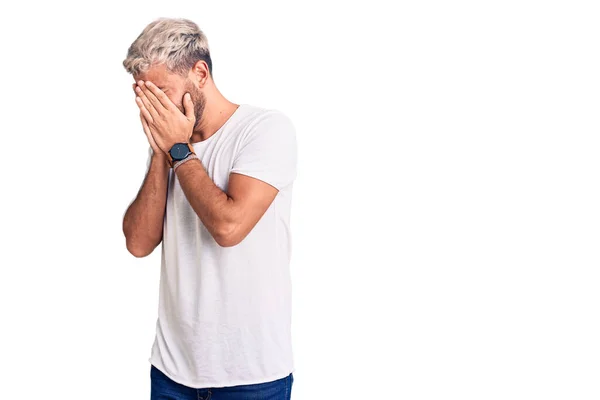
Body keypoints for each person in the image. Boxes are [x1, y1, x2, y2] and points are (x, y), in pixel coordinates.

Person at [121, 17, 297, 400]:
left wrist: (180, 153)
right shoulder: (173, 143)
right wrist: (160, 152)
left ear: (200, 73)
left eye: (161, 91)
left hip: (252, 378)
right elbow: (138, 243)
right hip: (172, 374)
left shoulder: (265, 130)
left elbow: (228, 228)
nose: (154, 107)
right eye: (144, 96)